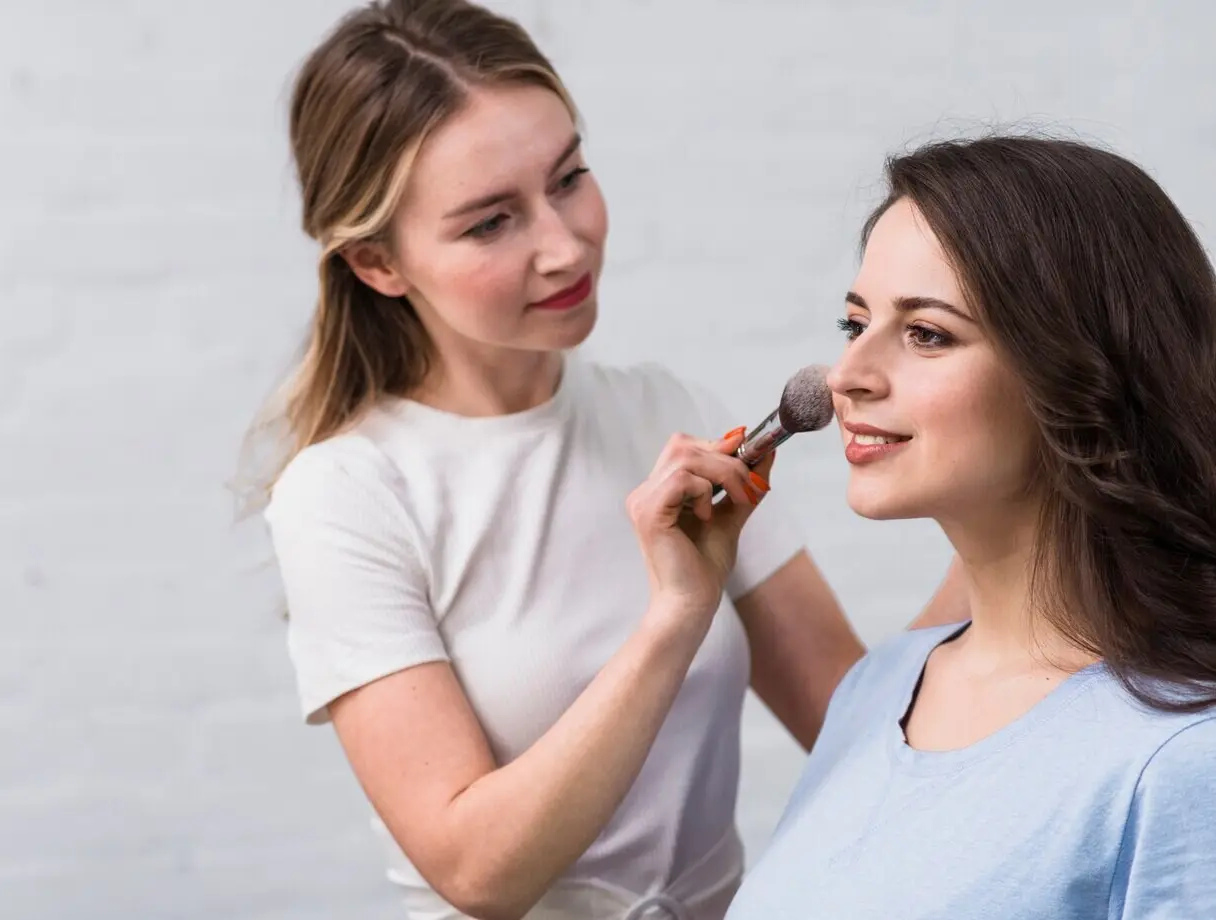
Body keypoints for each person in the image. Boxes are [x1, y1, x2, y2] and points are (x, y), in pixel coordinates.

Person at [240, 2, 965, 918]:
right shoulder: (345, 495)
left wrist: (1012, 512)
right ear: (378, 263)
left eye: (569, 177)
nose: (564, 242)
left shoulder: (670, 416)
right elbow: (479, 873)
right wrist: (675, 616)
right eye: (490, 223)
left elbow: (859, 729)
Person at [725, 134, 1216, 919]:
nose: (847, 376)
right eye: (857, 324)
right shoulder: (878, 687)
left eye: (927, 334)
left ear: (1075, 368)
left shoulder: (1180, 759)